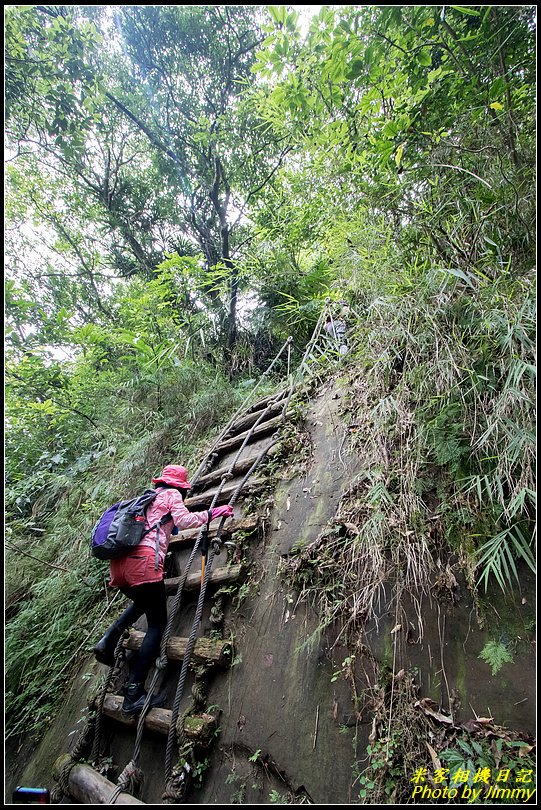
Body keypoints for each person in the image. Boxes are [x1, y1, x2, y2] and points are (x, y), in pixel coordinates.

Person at [92, 464, 234, 714]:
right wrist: (214, 513)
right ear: (180, 485)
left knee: (142, 602)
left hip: (119, 566)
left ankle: (107, 641)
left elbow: (164, 524)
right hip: (143, 563)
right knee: (157, 624)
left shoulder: (146, 499)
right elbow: (185, 519)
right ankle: (133, 692)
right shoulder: (172, 495)